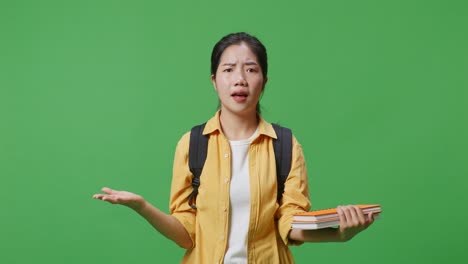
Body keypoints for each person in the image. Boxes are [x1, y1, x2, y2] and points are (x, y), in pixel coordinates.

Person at [92, 32, 375, 263]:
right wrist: (142, 207)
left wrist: (339, 234)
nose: (240, 78)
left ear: (263, 82)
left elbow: (290, 225)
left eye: (251, 69)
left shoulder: (286, 145)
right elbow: (186, 235)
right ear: (215, 82)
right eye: (228, 70)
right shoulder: (192, 144)